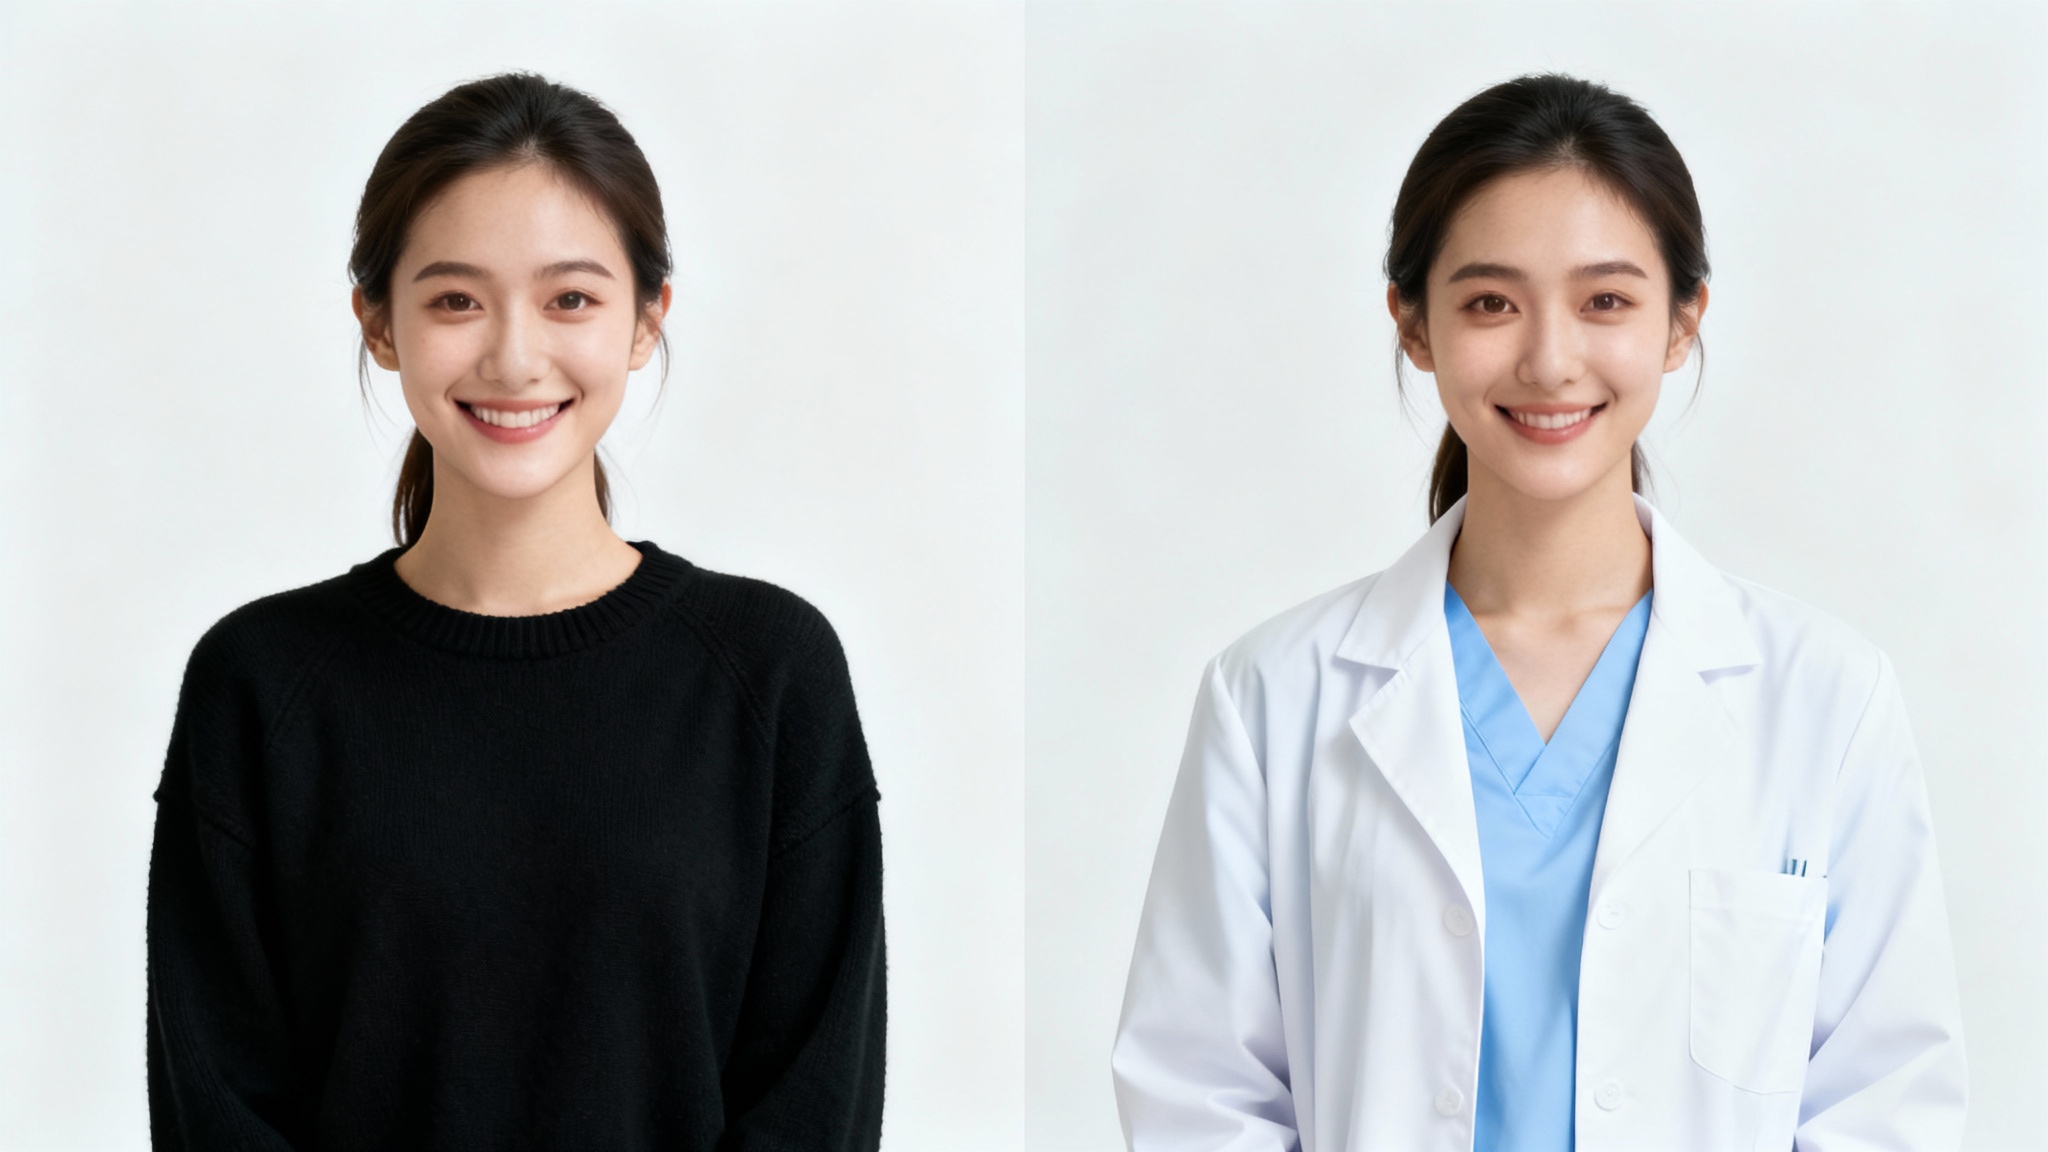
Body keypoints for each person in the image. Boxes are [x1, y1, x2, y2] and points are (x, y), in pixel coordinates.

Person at [1112, 74, 1964, 1151]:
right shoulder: (1272, 698)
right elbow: (1198, 1094)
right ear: (1411, 324)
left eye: (1604, 300)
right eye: (1488, 303)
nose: (1548, 359)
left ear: (1679, 323)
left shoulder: (1824, 700)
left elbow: (1884, 1105)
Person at [146, 74, 885, 1150]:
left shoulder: (769, 674)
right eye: (455, 299)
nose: (513, 359)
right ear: (378, 322)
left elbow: (814, 1102)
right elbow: (219, 1108)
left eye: (570, 299)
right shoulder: (262, 684)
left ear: (646, 320)